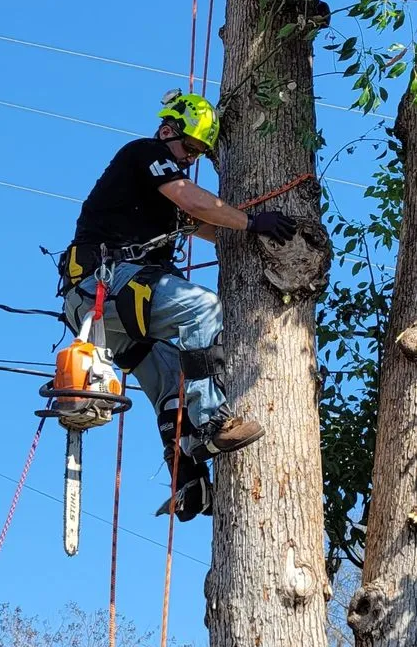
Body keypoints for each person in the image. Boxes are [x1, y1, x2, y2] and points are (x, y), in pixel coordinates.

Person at [60, 90, 296, 521]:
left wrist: (250, 229)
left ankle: (186, 475)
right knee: (200, 307)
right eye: (188, 147)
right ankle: (212, 422)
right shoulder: (145, 153)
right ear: (167, 130)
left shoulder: (160, 192)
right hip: (107, 286)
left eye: (199, 153)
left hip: (107, 309)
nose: (190, 159)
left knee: (172, 379)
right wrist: (251, 221)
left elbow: (203, 222)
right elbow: (192, 199)